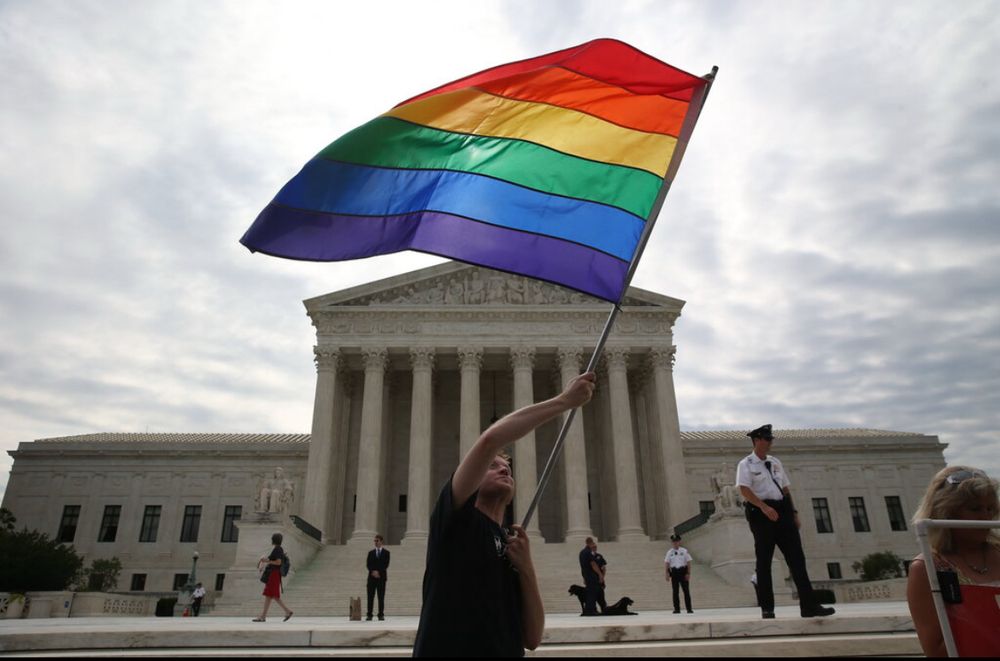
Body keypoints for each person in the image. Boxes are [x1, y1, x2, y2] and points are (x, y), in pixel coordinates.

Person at [412, 371, 596, 657]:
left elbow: (532, 638)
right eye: (492, 466)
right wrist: (564, 401)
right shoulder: (455, 520)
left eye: (507, 466)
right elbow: (490, 440)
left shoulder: (509, 545)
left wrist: (526, 567)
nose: (504, 468)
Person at [736, 424, 834, 619]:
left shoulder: (775, 462)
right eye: (768, 439)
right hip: (761, 514)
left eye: (771, 439)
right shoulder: (745, 464)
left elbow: (785, 489)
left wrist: (794, 513)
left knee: (797, 559)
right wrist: (764, 507)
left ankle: (809, 606)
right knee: (764, 562)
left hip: (782, 512)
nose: (771, 442)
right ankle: (767, 608)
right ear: (757, 440)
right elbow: (744, 489)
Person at [906, 466, 1000, 657]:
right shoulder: (927, 568)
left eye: (990, 508)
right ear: (946, 512)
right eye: (975, 509)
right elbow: (936, 651)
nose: (985, 517)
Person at [253, 532, 293, 622]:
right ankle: (285, 611)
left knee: (272, 594)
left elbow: (278, 562)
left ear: (273, 540)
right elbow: (274, 560)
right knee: (270, 595)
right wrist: (265, 560)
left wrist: (267, 562)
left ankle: (286, 611)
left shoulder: (278, 549)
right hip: (274, 574)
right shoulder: (278, 549)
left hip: (274, 574)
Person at [665, 534, 693, 613]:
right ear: (672, 542)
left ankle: (689, 608)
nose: (675, 543)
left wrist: (688, 573)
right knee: (675, 592)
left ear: (679, 542)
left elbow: (688, 562)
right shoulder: (669, 552)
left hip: (683, 572)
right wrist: (666, 573)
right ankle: (677, 609)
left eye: (676, 541)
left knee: (686, 591)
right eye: (673, 542)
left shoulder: (684, 551)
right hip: (674, 572)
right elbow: (667, 563)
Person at [366, 534, 390, 621]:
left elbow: (386, 564)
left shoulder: (386, 553)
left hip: (381, 578)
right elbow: (368, 564)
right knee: (370, 597)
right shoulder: (370, 553)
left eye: (377, 541)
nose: (375, 542)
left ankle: (381, 614)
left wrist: (378, 572)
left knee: (381, 597)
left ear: (381, 541)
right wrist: (373, 571)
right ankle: (369, 614)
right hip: (371, 578)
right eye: (375, 541)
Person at [578, 537, 604, 615]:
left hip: (586, 575)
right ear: (591, 543)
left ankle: (590, 610)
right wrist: (600, 574)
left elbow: (582, 566)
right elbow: (593, 564)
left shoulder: (582, 552)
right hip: (592, 576)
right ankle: (591, 610)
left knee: (590, 593)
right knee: (592, 593)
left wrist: (584, 577)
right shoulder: (588, 552)